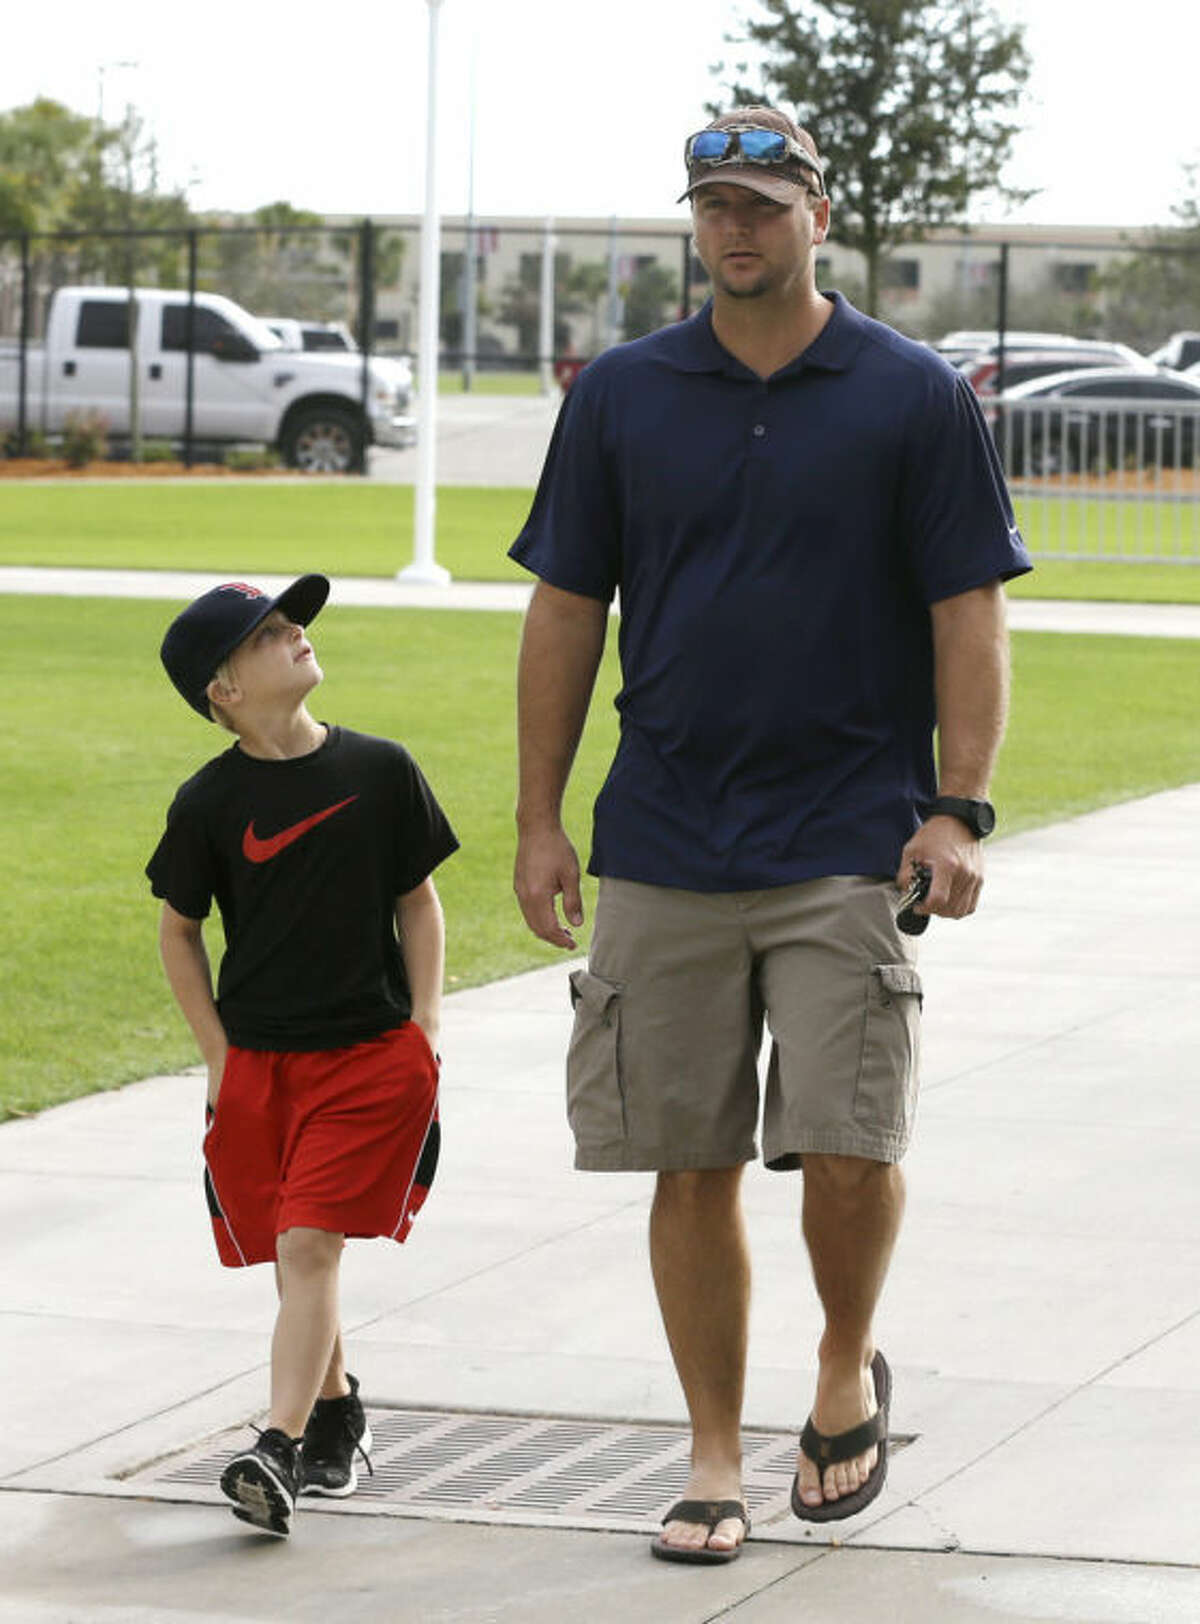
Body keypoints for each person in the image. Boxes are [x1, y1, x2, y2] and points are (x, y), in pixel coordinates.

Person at [510, 106, 1030, 1564]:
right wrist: (542, 821)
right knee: (691, 1158)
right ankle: (714, 1455)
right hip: (665, 836)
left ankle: (841, 1367)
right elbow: (566, 607)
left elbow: (967, 609)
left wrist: (959, 804)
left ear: (816, 209)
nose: (735, 226)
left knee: (850, 1145)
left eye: (762, 201)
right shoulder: (620, 394)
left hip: (849, 835)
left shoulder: (912, 394)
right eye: (711, 205)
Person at [146, 575, 457, 1538]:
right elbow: (178, 931)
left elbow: (418, 900)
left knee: (310, 1245)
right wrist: (218, 1056)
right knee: (294, 1259)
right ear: (223, 692)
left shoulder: (380, 769)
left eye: (293, 625)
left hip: (367, 1059)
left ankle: (276, 1450)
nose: (295, 637)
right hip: (261, 1068)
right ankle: (335, 1412)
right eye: (267, 635)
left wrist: (428, 1025)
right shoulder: (208, 803)